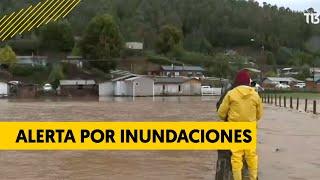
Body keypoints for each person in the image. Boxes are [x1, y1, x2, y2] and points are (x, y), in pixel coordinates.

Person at [217, 70, 263, 180]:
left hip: (234, 130)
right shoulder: (255, 95)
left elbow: (221, 113)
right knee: (251, 157)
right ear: (248, 82)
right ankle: (253, 178)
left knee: (236, 157)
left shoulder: (230, 93)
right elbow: (259, 114)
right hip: (250, 129)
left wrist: (227, 120)